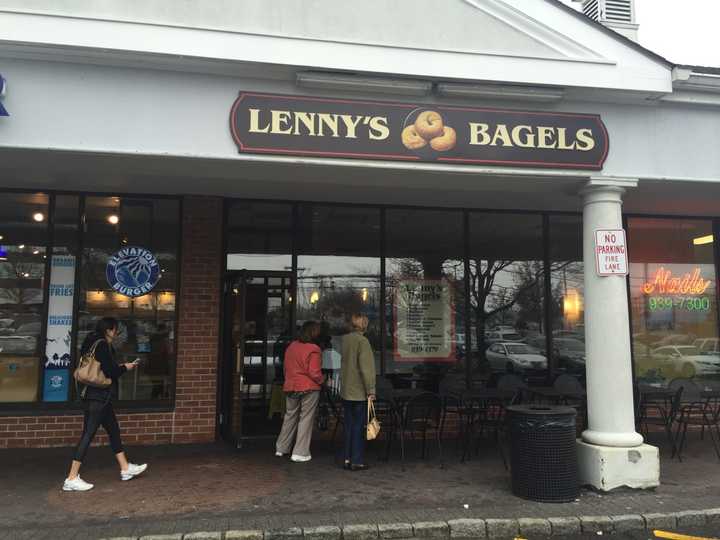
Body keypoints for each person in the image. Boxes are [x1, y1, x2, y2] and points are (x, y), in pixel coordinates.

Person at [62, 317, 147, 491]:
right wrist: (126, 367)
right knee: (88, 434)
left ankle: (125, 468)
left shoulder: (90, 342)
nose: (116, 333)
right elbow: (110, 371)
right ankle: (71, 477)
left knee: (114, 430)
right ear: (108, 330)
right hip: (98, 396)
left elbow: (103, 367)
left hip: (97, 396)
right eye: (115, 330)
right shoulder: (102, 345)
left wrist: (120, 366)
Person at [275, 320, 325, 462]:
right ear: (314, 333)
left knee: (290, 416)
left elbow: (285, 368)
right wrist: (323, 381)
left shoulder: (291, 346)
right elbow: (314, 373)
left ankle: (281, 448)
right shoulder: (314, 349)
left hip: (291, 385)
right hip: (308, 387)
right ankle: (300, 452)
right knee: (306, 418)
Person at [340, 313, 376, 471]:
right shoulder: (363, 341)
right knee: (358, 426)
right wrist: (371, 389)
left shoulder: (346, 340)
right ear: (364, 324)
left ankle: (347, 458)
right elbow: (366, 369)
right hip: (359, 391)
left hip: (346, 389)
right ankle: (357, 460)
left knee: (348, 425)